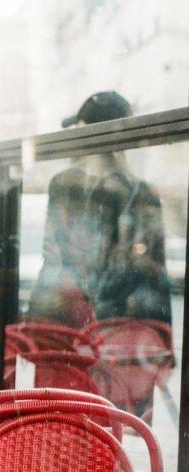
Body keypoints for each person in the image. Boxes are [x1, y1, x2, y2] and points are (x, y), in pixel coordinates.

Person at [28, 91, 172, 329]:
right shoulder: (143, 193)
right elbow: (156, 276)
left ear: (85, 129)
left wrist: (35, 320)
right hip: (122, 326)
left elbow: (52, 257)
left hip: (70, 324)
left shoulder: (64, 185)